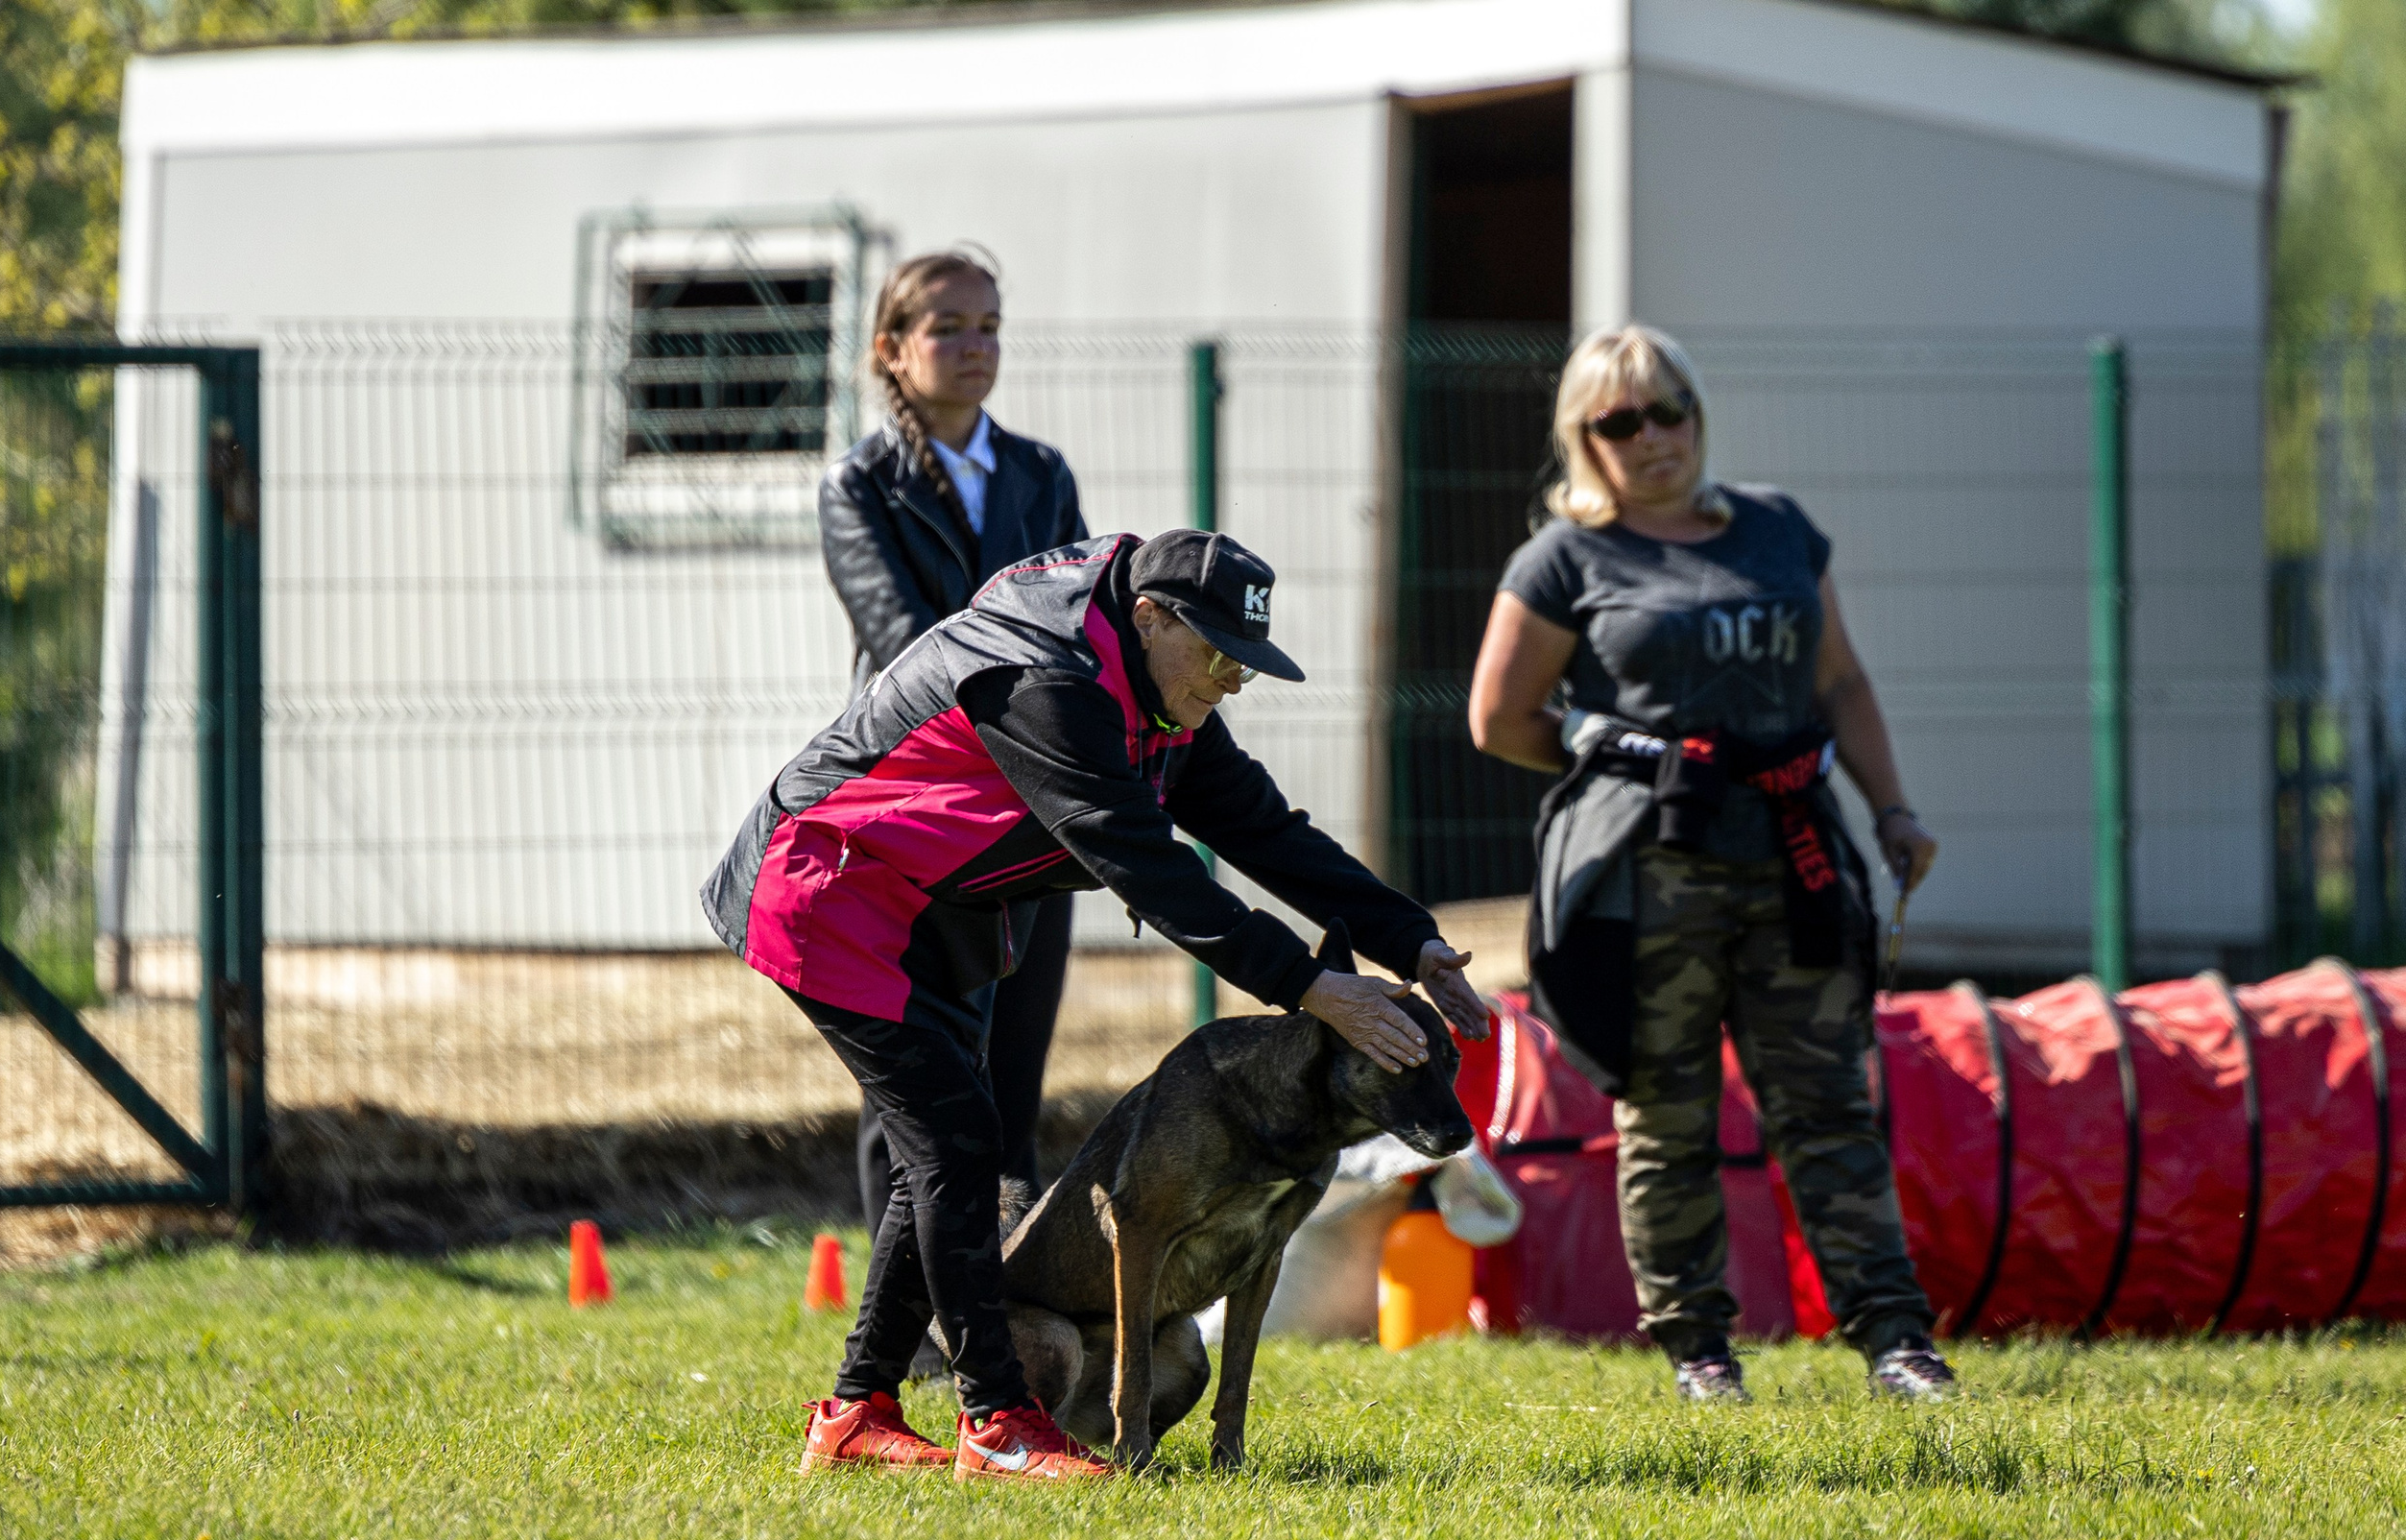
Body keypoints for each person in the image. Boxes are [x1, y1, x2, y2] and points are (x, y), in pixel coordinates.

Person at [706, 528, 1493, 1480]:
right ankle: (997, 1423)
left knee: (946, 1152)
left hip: (928, 911)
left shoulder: (1161, 689)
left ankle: (856, 1414)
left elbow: (1262, 829)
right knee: (955, 1146)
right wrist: (1313, 987)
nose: (1229, 685)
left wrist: (1410, 939)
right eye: (1217, 657)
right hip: (829, 888)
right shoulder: (1044, 682)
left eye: (1244, 666)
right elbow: (1146, 866)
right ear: (1150, 617)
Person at [1467, 325, 1956, 1403]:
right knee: (1666, 1115)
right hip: (1649, 882)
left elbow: (1841, 683)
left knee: (1830, 1103)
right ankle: (1698, 1352)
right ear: (1584, 438)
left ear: (1697, 413)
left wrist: (1893, 809)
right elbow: (1497, 718)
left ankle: (1895, 1340)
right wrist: (1621, 764)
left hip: (1793, 861)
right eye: (1620, 421)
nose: (1652, 437)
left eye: (1669, 410)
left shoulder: (1778, 529)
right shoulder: (1564, 559)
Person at [818, 249, 1088, 1250]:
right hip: (914, 814)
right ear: (892, 348)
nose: (975, 347)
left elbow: (1085, 628)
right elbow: (908, 648)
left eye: (989, 327)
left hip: (1034, 810)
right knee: (918, 1092)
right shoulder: (858, 484)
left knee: (1011, 1091)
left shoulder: (1041, 475)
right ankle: (908, 1322)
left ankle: (1003, 1308)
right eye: (947, 327)